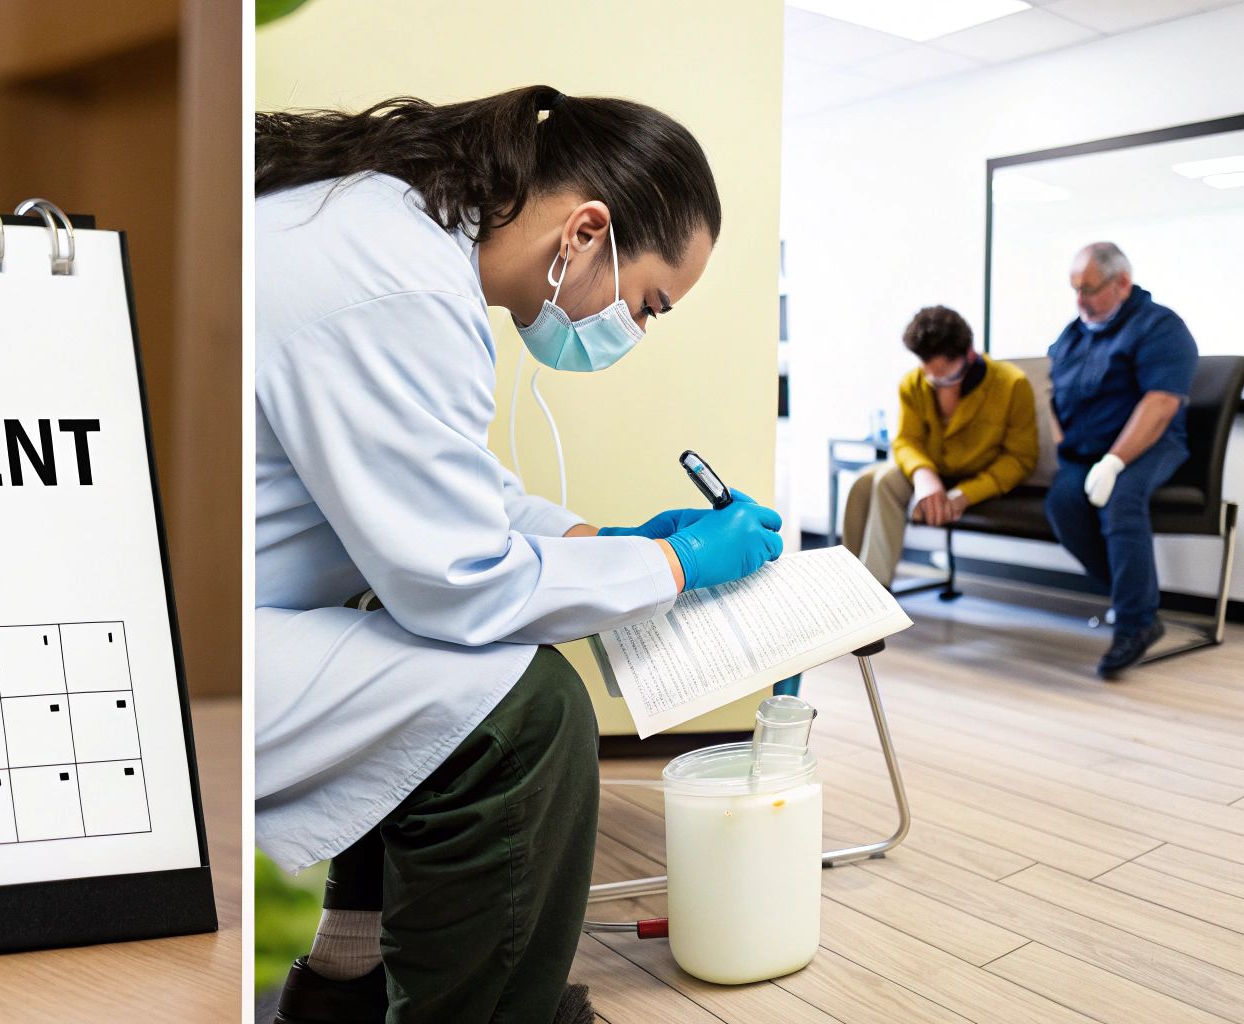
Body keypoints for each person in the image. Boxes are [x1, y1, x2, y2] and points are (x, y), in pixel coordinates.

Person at [255, 86, 784, 1023]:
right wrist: (677, 567)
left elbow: (445, 484)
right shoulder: (402, 284)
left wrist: (601, 542)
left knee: (449, 678)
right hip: (213, 650)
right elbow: (457, 582)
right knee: (525, 713)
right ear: (586, 232)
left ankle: (345, 980)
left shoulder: (391, 232)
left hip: (235, 610)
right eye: (651, 304)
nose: (641, 328)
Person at [1045, 242, 1198, 678]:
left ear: (1122, 282)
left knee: (1121, 500)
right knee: (1063, 503)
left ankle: (1134, 625)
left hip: (1150, 444)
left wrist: (1114, 461)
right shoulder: (1073, 334)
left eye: (1089, 289)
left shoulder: (1160, 327)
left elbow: (1161, 402)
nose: (1080, 300)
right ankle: (1137, 601)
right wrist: (1071, 452)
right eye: (1074, 289)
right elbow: (1056, 396)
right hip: (1086, 452)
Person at [841, 305, 1037, 587]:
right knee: (866, 482)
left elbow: (1021, 459)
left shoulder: (1011, 384)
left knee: (881, 480)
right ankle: (855, 590)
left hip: (976, 478)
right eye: (932, 379)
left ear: (969, 354)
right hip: (929, 472)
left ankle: (871, 599)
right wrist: (924, 475)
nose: (940, 386)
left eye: (948, 377)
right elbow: (907, 441)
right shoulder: (913, 383)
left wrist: (964, 495)